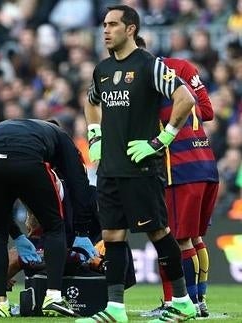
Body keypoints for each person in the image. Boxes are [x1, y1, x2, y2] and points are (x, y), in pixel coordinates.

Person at [79, 5, 198, 323]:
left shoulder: (149, 65)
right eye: (104, 25)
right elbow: (91, 103)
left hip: (140, 169)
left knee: (159, 233)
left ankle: (184, 302)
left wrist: (160, 142)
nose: (105, 30)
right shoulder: (102, 69)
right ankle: (115, 309)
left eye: (113, 25)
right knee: (113, 237)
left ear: (130, 29)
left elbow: (186, 98)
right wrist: (95, 138)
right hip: (110, 170)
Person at [134, 37, 219, 319]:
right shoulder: (182, 67)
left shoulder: (142, 81)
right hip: (205, 162)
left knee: (175, 240)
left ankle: (182, 303)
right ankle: (200, 302)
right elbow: (206, 111)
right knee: (193, 238)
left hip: (179, 168)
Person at [0, 118, 96, 318]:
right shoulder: (63, 139)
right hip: (27, 159)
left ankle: (1, 304)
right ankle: (53, 297)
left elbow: (1, 202)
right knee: (54, 227)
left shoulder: (14, 128)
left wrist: (16, 235)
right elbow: (79, 182)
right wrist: (82, 231)